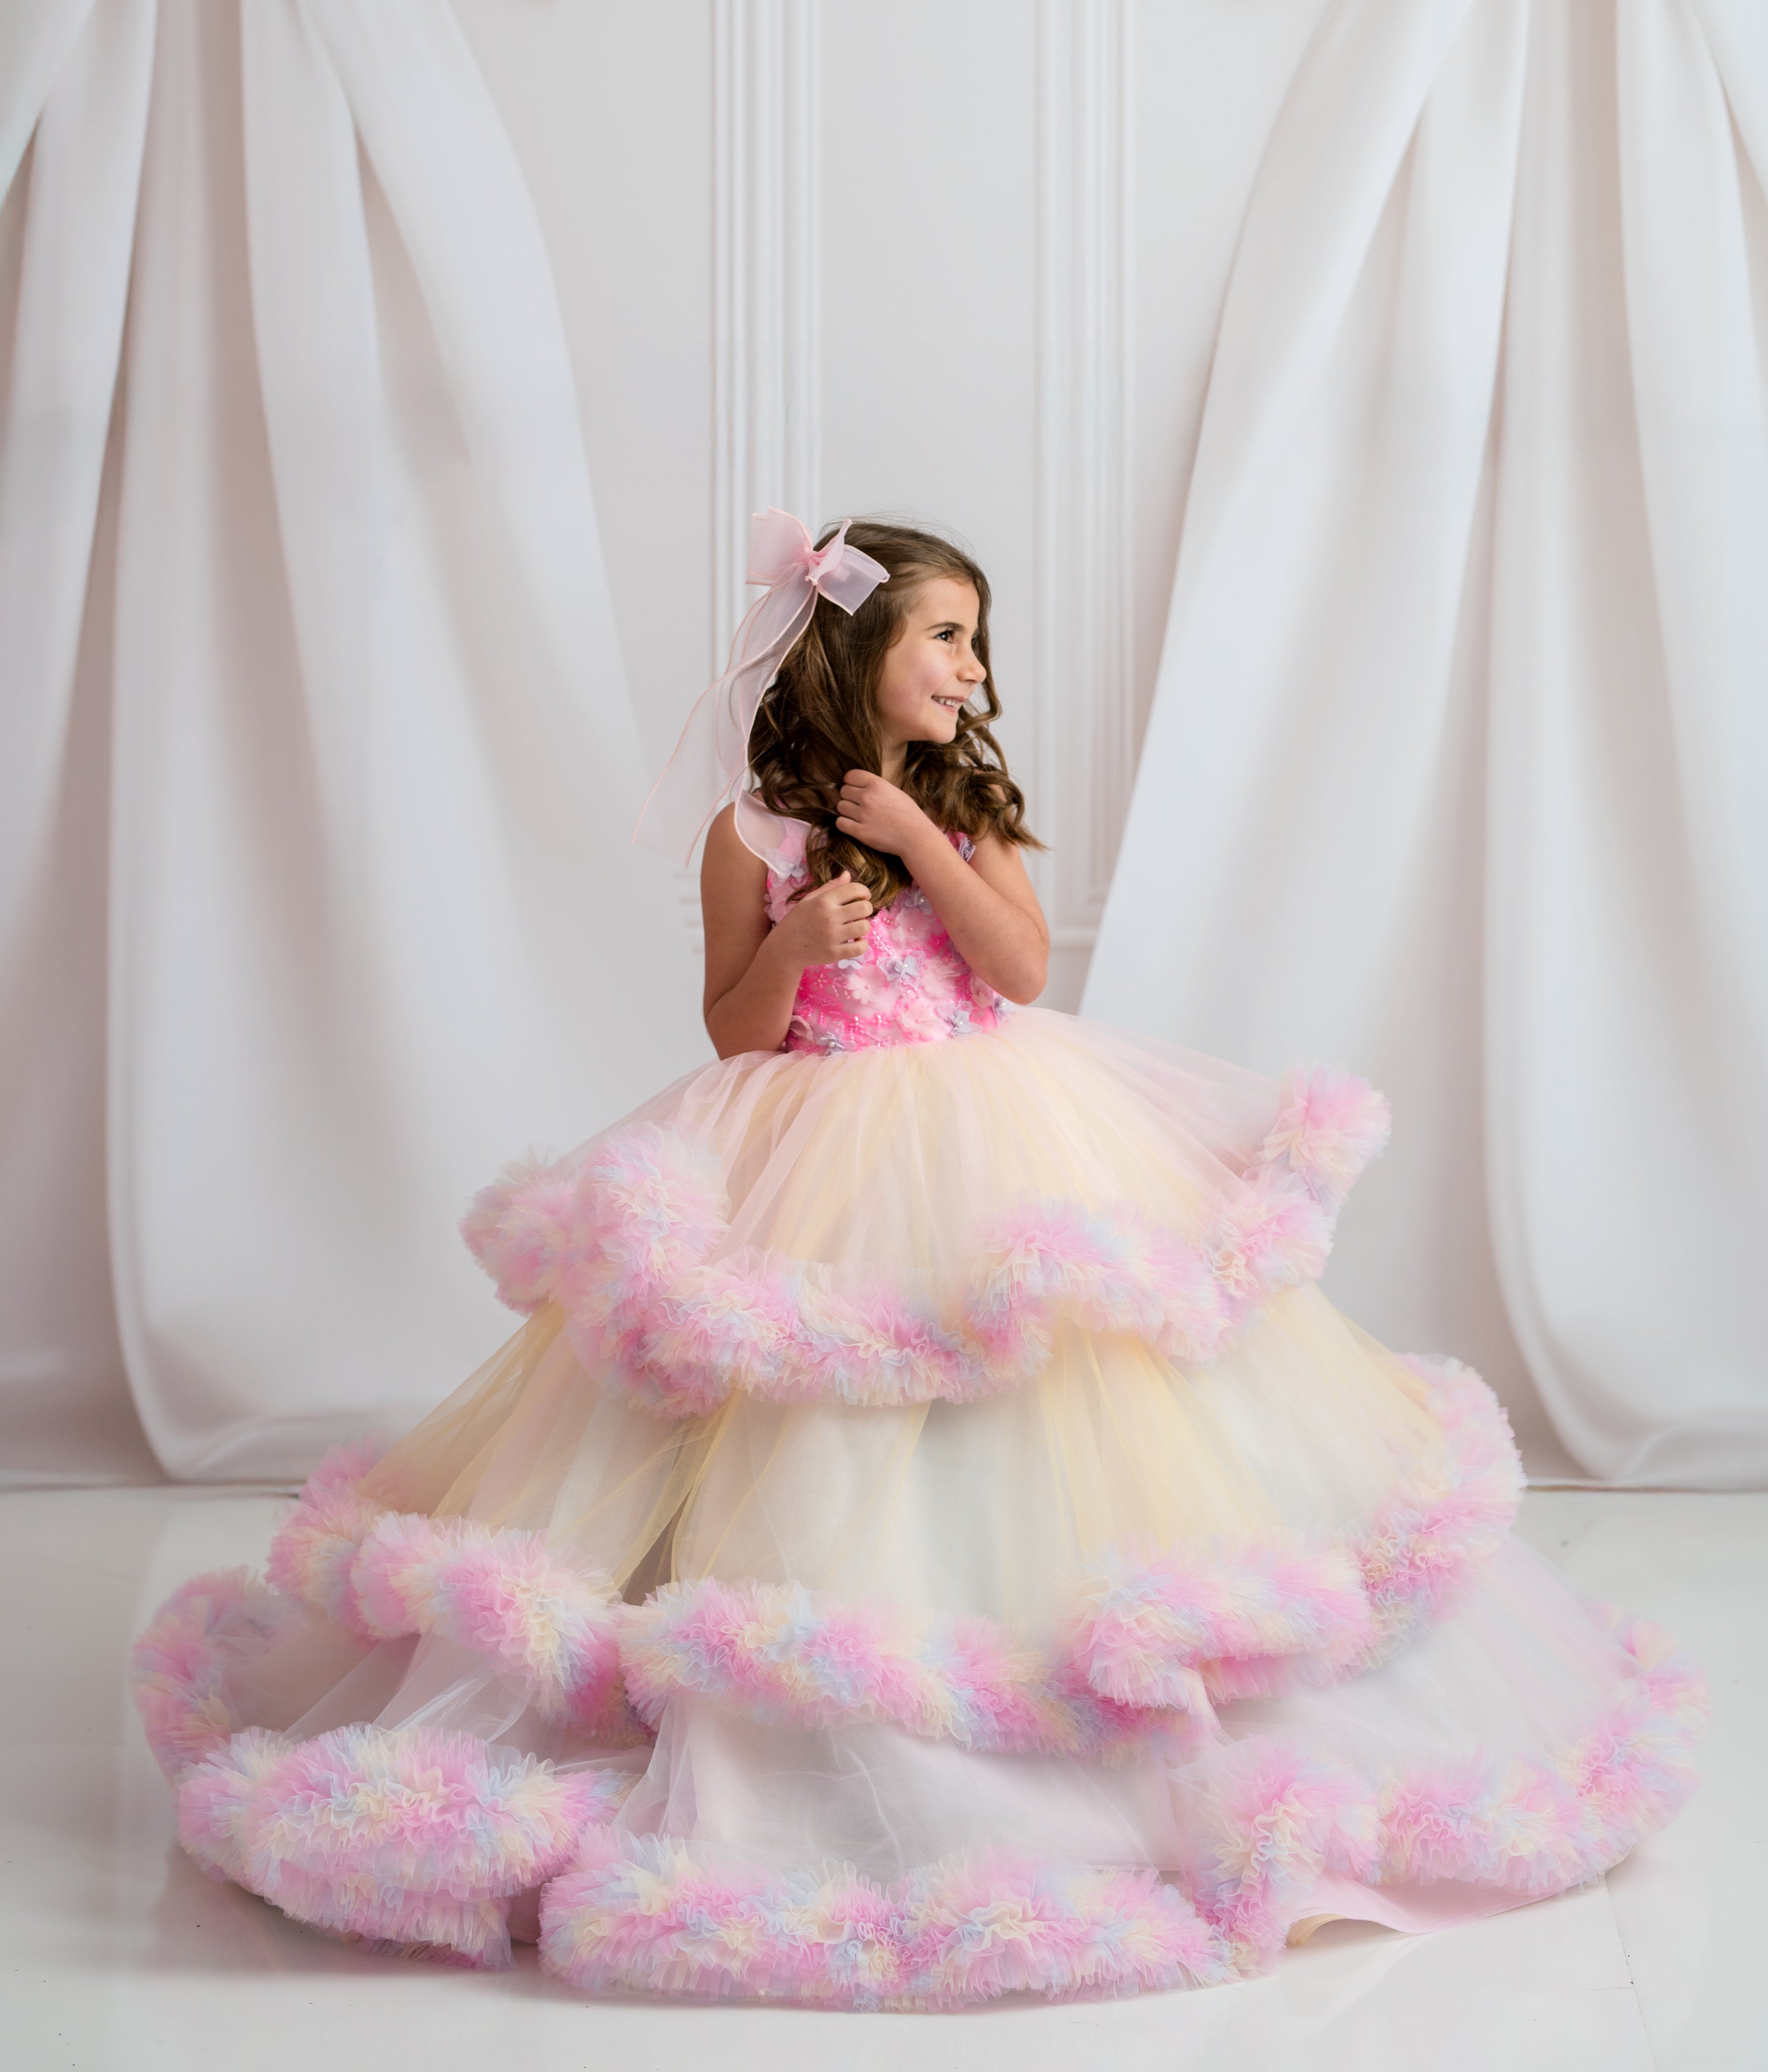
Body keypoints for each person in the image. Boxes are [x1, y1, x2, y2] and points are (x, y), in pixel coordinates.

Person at [132, 512, 1704, 2006]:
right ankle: (769, 1699)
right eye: (946, 633)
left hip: (986, 1123)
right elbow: (731, 1022)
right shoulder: (744, 829)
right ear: (859, 645)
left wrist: (915, 843)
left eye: (978, 638)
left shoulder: (963, 808)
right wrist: (795, 947)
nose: (972, 664)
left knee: (1028, 1385)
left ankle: (1049, 1677)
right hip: (799, 1145)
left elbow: (1017, 969)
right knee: (787, 1402)